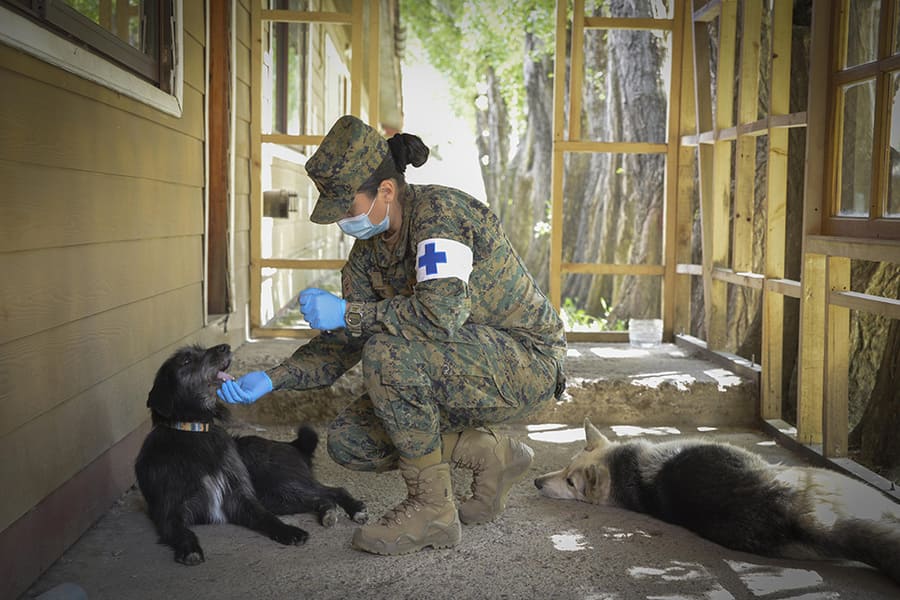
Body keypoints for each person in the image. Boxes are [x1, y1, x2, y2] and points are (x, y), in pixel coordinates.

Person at [218, 114, 567, 555]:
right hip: (457, 365)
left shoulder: (440, 215)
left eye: (348, 208)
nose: (345, 221)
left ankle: (432, 511)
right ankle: (489, 453)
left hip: (527, 363)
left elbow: (438, 316)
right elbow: (345, 340)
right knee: (351, 441)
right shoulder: (368, 253)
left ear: (386, 190)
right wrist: (273, 378)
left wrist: (347, 312)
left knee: (386, 353)